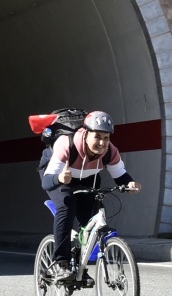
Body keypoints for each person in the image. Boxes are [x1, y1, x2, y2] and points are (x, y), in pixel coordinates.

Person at [41, 111, 140, 276]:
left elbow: (120, 175)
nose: (102, 143)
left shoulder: (110, 151)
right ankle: (62, 263)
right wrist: (59, 178)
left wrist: (129, 183)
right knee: (67, 205)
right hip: (57, 175)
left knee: (90, 219)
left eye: (106, 138)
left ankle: (79, 266)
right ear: (85, 134)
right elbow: (46, 181)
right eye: (97, 137)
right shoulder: (66, 144)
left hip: (87, 178)